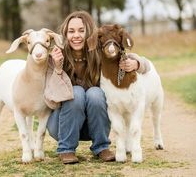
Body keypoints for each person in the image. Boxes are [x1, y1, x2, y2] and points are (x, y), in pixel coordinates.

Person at [45, 10, 149, 164]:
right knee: (77, 92)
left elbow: (139, 61)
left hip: (93, 125)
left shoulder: (99, 51)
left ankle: (101, 147)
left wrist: (137, 63)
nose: (76, 35)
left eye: (81, 30)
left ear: (89, 32)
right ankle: (66, 149)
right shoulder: (57, 56)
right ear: (65, 34)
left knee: (95, 93)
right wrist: (58, 69)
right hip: (62, 125)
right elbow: (51, 101)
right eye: (71, 31)